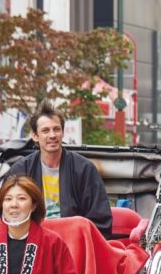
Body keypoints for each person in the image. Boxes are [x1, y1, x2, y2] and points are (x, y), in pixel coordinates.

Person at [7, 102, 112, 238]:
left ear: (63, 133)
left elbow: (100, 218)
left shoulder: (84, 169)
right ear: (35, 136)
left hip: (74, 241)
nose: (52, 135)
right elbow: (5, 212)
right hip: (33, 240)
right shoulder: (21, 170)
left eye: (56, 129)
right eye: (45, 131)